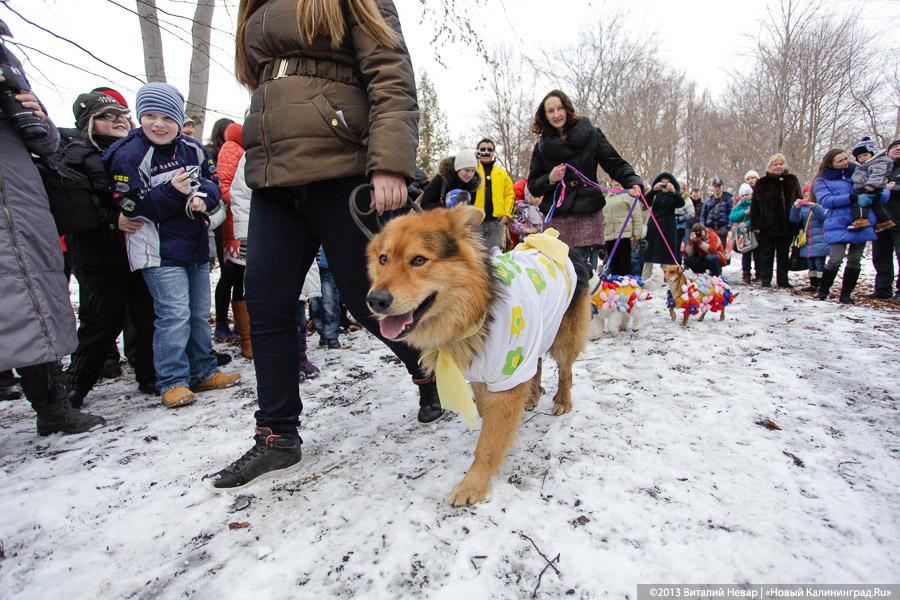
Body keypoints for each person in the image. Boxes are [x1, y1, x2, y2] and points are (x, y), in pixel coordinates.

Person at [211, 0, 440, 490]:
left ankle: (428, 370)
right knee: (267, 303)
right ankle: (277, 436)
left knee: (371, 302)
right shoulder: (256, 7)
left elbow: (390, 74)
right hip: (273, 178)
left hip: (342, 169)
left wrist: (390, 162)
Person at [103, 82, 241, 408]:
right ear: (139, 117)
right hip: (157, 251)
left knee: (197, 314)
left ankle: (203, 370)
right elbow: (129, 205)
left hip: (195, 244)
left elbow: (212, 182)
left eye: (167, 117)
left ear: (178, 120)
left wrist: (202, 197)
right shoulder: (129, 154)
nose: (158, 124)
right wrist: (173, 192)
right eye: (150, 116)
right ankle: (173, 381)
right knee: (173, 316)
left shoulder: (192, 148)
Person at [0, 25, 106, 435]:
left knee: (34, 302)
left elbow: (46, 144)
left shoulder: (8, 62)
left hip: (21, 200)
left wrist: (37, 118)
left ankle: (52, 405)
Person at [61, 91, 157, 407]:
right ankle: (75, 385)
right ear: (88, 122)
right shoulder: (76, 155)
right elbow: (75, 207)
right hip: (99, 253)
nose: (117, 120)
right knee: (101, 321)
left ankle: (150, 375)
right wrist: (112, 221)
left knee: (146, 316)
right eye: (106, 116)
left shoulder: (139, 150)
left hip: (137, 248)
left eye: (120, 114)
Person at [527, 89, 643, 271]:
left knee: (581, 269)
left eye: (560, 108)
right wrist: (550, 178)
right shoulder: (541, 147)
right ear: (545, 115)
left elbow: (614, 163)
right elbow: (533, 186)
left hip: (587, 209)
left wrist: (632, 181)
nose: (556, 114)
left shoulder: (591, 135)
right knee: (557, 268)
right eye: (550, 111)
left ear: (567, 109)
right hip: (557, 215)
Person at [813, 148, 889, 303]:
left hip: (862, 220)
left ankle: (846, 295)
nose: (845, 162)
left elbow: (881, 190)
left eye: (846, 158)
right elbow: (825, 200)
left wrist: (875, 196)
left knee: (855, 259)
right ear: (830, 163)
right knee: (835, 259)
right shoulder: (822, 180)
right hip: (837, 222)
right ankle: (823, 291)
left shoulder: (860, 171)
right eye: (840, 161)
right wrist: (852, 198)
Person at [214, 122, 246, 346]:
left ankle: (242, 327)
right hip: (233, 225)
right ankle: (223, 324)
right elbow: (224, 186)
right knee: (231, 276)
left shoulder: (242, 148)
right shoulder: (231, 148)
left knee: (240, 278)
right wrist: (245, 203)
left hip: (242, 222)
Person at [751, 154, 803, 288]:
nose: (778, 166)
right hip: (767, 226)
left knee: (783, 254)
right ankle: (766, 280)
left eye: (781, 164)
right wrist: (756, 225)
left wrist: (799, 223)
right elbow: (755, 205)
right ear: (770, 166)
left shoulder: (792, 180)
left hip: (787, 225)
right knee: (766, 254)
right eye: (775, 164)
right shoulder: (762, 182)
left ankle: (783, 280)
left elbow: (799, 200)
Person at [641, 172, 684, 288]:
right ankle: (645, 279)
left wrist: (674, 191)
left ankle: (667, 279)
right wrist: (653, 191)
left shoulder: (673, 195)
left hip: (668, 227)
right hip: (654, 226)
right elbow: (645, 202)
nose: (664, 185)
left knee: (666, 254)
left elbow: (681, 203)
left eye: (667, 183)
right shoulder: (655, 194)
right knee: (649, 254)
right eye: (662, 183)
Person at [870, 139, 900, 300]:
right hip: (880, 222)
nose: (897, 148)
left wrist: (892, 188)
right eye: (894, 146)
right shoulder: (880, 169)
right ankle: (882, 289)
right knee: (880, 257)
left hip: (899, 221)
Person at [472, 138, 514, 248]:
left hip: (497, 223)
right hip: (475, 223)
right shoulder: (471, 171)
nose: (486, 152)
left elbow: (510, 194)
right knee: (476, 253)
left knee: (495, 253)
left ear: (494, 152)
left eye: (489, 149)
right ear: (477, 151)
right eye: (483, 149)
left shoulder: (502, 173)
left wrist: (507, 215)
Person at [848, 136, 895, 232]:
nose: (862, 158)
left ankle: (861, 219)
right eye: (859, 157)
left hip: (869, 187)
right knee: (875, 205)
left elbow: (878, 174)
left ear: (873, 153)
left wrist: (872, 185)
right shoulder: (864, 165)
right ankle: (885, 221)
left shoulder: (878, 162)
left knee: (859, 202)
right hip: (867, 186)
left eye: (865, 155)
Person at [789, 183, 829, 293]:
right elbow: (794, 219)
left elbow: (824, 218)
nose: (808, 198)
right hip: (807, 240)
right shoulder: (803, 208)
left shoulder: (823, 205)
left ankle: (822, 284)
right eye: (806, 195)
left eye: (810, 195)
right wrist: (795, 208)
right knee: (811, 264)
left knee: (819, 263)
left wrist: (815, 207)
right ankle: (813, 284)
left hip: (821, 239)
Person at [602, 187, 645, 276]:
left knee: (625, 263)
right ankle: (615, 281)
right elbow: (604, 216)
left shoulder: (629, 195)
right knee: (613, 264)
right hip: (610, 235)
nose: (616, 182)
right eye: (614, 180)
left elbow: (637, 215)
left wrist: (637, 233)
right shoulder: (608, 197)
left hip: (625, 234)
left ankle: (626, 281)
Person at [729, 183, 756, 284]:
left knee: (757, 254)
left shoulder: (754, 204)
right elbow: (732, 217)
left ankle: (759, 273)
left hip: (753, 231)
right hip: (743, 233)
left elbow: (757, 216)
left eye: (747, 194)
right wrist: (743, 212)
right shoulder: (739, 205)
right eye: (743, 195)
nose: (745, 197)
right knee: (746, 253)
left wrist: (747, 224)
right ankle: (746, 273)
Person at [700, 177, 733, 243]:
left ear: (722, 187)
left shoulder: (728, 200)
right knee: (710, 247)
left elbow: (731, 214)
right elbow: (703, 216)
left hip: (722, 229)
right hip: (709, 229)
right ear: (713, 187)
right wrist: (703, 227)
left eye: (719, 186)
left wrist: (728, 227)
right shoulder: (707, 201)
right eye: (715, 186)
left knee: (722, 248)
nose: (717, 188)